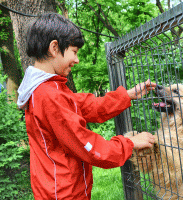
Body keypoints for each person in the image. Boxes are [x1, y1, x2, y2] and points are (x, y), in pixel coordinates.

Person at [17, 13, 156, 200]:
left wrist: (126, 95)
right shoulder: (49, 95)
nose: (77, 60)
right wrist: (129, 143)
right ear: (54, 48)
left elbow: (87, 105)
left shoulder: (50, 89)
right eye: (74, 52)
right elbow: (86, 144)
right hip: (64, 194)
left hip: (58, 187)